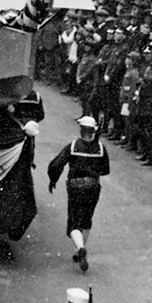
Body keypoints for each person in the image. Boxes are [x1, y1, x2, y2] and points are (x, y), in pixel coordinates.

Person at [47, 115, 110, 273]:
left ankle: (80, 248)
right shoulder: (101, 148)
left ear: (81, 130)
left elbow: (56, 164)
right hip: (93, 187)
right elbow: (106, 170)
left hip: (75, 187)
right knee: (87, 220)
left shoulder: (73, 146)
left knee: (74, 223)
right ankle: (79, 251)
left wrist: (53, 179)